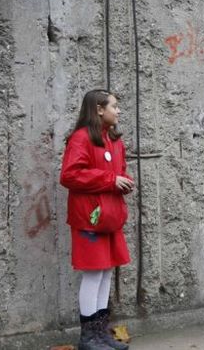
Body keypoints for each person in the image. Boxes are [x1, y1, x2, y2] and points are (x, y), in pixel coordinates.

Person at [60, 90, 133, 350]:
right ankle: (88, 338)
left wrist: (124, 181)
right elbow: (69, 175)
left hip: (110, 218)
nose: (118, 110)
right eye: (114, 106)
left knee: (105, 272)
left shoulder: (114, 140)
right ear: (99, 110)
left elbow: (119, 172)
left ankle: (100, 335)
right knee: (93, 274)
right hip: (89, 219)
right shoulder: (81, 138)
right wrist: (110, 180)